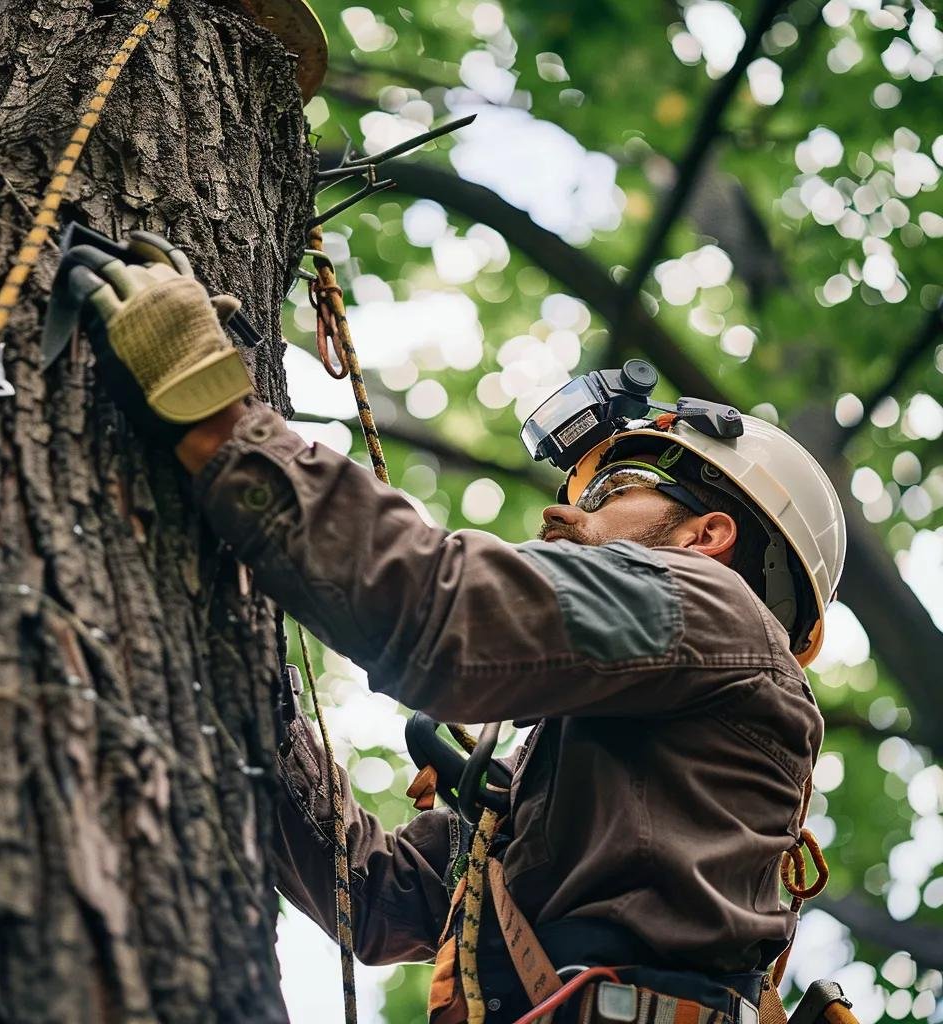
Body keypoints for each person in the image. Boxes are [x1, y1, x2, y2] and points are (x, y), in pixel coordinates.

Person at [61, 243, 846, 1024]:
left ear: (706, 536)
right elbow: (379, 899)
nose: (564, 511)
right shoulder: (586, 762)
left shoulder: (716, 610)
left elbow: (446, 615)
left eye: (612, 487)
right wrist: (249, 702)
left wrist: (216, 421)